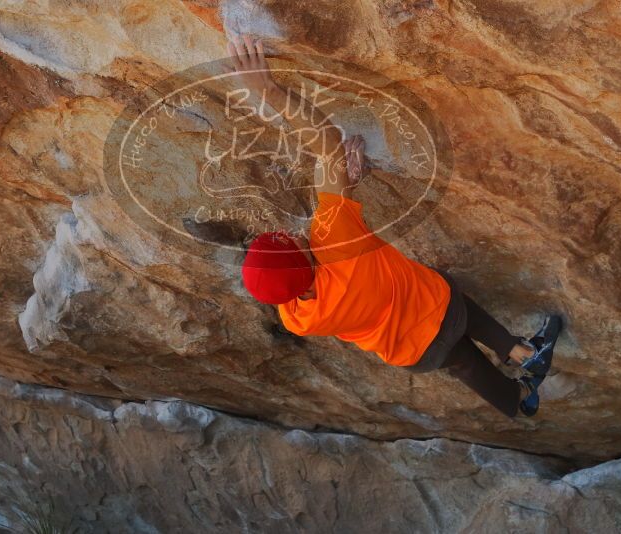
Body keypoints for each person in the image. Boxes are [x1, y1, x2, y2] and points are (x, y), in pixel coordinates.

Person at [228, 36, 562, 418]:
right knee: (450, 298)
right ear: (305, 254)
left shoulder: (298, 317)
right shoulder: (333, 237)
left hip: (411, 353)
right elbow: (327, 145)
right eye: (294, 241)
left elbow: (297, 270)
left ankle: (519, 401)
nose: (299, 235)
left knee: (464, 362)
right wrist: (268, 89)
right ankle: (524, 353)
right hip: (437, 305)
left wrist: (346, 189)